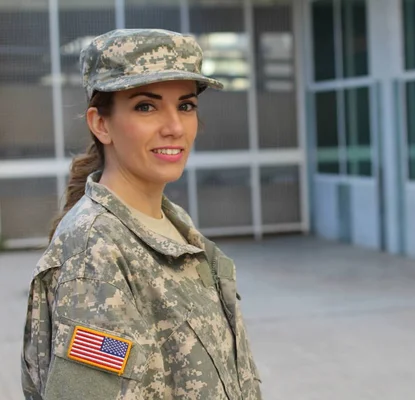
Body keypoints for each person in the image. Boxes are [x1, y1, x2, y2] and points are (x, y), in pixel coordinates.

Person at [20, 28, 262, 400]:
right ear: (101, 123)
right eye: (146, 106)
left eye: (186, 105)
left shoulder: (175, 224)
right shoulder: (98, 253)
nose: (174, 127)